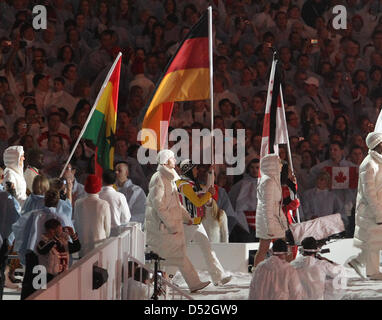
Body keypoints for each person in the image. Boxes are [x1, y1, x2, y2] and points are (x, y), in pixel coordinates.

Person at [145, 149, 210, 293]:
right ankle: (157, 285)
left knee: (177, 256)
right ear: (166, 161)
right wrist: (172, 224)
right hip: (163, 227)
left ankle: (193, 283)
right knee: (165, 258)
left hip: (169, 226)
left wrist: (187, 217)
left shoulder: (169, 178)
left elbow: (175, 203)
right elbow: (159, 206)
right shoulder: (159, 178)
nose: (175, 161)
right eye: (173, 158)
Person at [176, 159, 232, 286]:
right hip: (187, 224)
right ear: (189, 169)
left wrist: (210, 177)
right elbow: (197, 202)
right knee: (178, 253)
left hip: (196, 223)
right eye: (195, 168)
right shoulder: (184, 185)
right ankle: (167, 277)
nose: (197, 171)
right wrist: (208, 195)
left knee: (208, 249)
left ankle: (219, 277)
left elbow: (200, 197)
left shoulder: (190, 183)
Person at [348, 132, 382, 280]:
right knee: (373, 242)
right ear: (378, 145)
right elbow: (369, 193)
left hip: (377, 208)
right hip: (371, 211)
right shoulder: (368, 164)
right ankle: (372, 271)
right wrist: (378, 213)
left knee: (374, 241)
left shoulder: (378, 162)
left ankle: (357, 263)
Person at [254, 154, 288, 268]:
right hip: (269, 218)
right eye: (278, 162)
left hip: (270, 217)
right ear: (272, 165)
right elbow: (267, 206)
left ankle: (257, 272)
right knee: (282, 245)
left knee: (264, 247)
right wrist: (270, 226)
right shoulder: (269, 182)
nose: (281, 164)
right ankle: (285, 270)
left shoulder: (270, 180)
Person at [73, 174, 111, 257]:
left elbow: (76, 224)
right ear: (99, 187)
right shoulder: (104, 204)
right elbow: (107, 229)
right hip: (99, 244)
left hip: (83, 244)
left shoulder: (78, 203)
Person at [36, 219, 81, 283]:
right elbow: (42, 250)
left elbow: (76, 247)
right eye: (57, 230)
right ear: (50, 231)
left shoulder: (63, 242)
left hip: (62, 275)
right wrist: (56, 237)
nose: (60, 233)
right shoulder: (42, 242)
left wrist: (73, 235)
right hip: (46, 277)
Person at [99, 169, 131, 236]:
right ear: (115, 181)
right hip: (115, 232)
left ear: (101, 180)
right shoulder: (120, 196)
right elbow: (126, 217)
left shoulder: (97, 195)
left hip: (98, 231)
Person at [115, 161, 146, 226]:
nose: (116, 172)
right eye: (115, 170)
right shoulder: (113, 190)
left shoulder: (136, 190)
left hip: (133, 226)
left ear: (127, 173)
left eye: (119, 171)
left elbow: (126, 212)